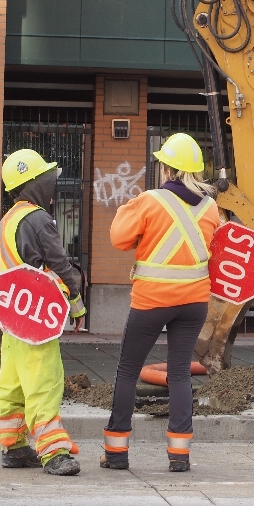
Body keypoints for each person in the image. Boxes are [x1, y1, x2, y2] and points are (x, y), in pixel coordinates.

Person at [100, 133, 220, 473]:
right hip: (194, 302)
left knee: (127, 371)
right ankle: (179, 455)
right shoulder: (212, 208)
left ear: (166, 168)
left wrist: (129, 207)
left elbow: (119, 238)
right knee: (180, 374)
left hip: (152, 300)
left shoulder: (150, 201)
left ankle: (117, 453)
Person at [0, 149, 87, 476]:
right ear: (34, 183)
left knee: (13, 384)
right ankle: (54, 454)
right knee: (44, 382)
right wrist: (76, 303)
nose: (52, 185)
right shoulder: (39, 218)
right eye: (48, 179)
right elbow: (59, 263)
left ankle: (14, 447)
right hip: (37, 316)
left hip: (12, 319)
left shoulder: (6, 221)